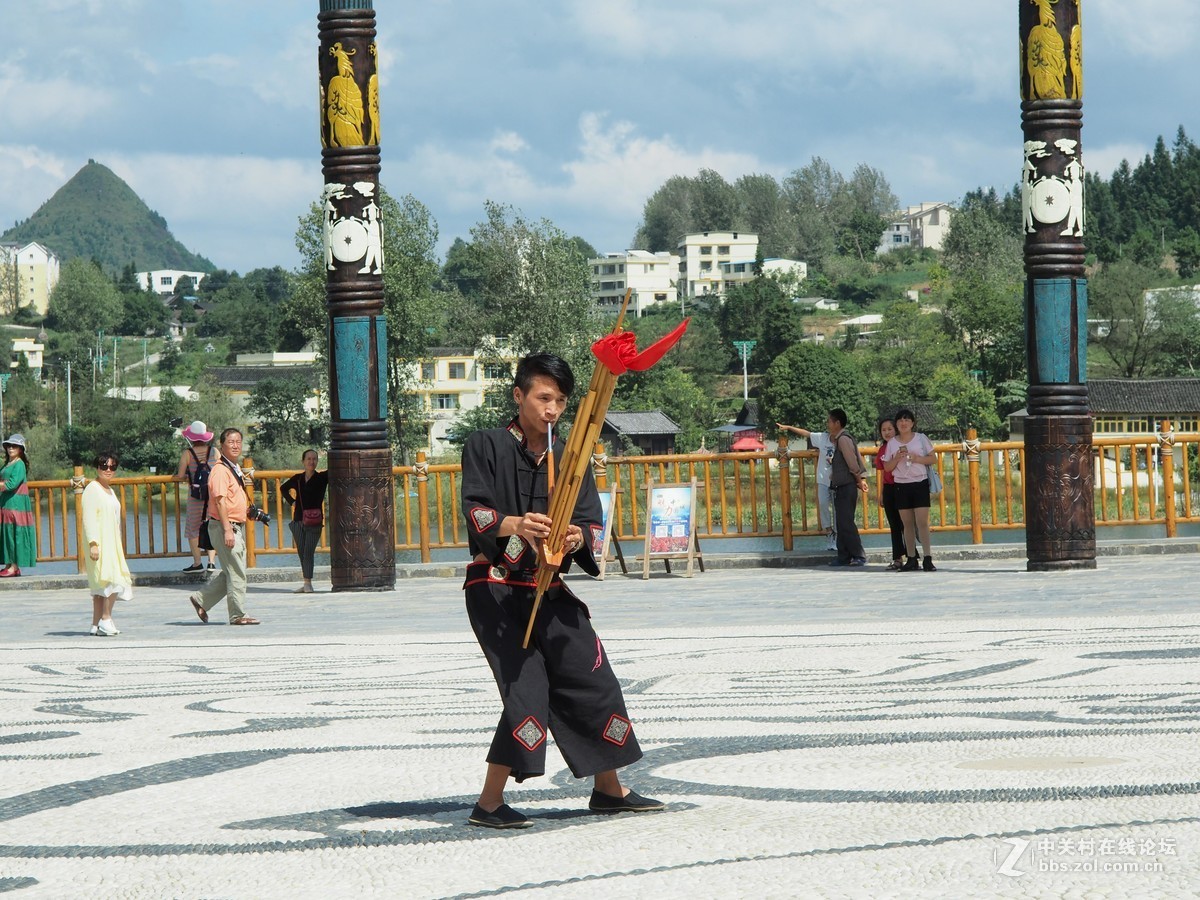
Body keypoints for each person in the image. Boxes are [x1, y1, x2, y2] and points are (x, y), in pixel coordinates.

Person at [459, 353, 663, 829]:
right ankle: (488, 803)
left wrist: (576, 536)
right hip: (496, 589)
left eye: (560, 401)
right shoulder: (484, 444)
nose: (551, 409)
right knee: (526, 689)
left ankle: (609, 789)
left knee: (591, 675)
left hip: (549, 587)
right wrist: (515, 524)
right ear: (519, 395)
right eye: (542, 397)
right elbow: (476, 511)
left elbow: (591, 521)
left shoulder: (571, 458)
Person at [187, 428, 261, 625]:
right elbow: (219, 501)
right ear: (222, 446)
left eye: (238, 441)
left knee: (232, 571)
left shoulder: (233, 468)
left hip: (233, 525)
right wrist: (227, 529)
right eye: (231, 442)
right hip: (224, 527)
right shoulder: (220, 470)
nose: (236, 445)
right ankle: (238, 615)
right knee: (237, 572)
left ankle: (200, 599)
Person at [83, 451, 133, 636]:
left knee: (101, 585)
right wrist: (93, 543)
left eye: (112, 467)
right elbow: (88, 518)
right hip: (100, 542)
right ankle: (106, 618)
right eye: (104, 466)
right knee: (112, 580)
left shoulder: (110, 490)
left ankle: (95, 624)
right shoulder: (92, 489)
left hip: (112, 541)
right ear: (97, 467)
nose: (108, 470)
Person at [883, 408, 937, 572]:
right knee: (907, 524)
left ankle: (928, 558)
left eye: (907, 420)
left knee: (921, 522)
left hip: (919, 483)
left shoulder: (921, 439)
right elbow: (886, 467)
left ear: (912, 423)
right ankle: (911, 558)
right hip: (901, 485)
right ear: (897, 424)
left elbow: (933, 458)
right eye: (900, 420)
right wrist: (897, 458)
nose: (903, 423)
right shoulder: (892, 443)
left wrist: (917, 458)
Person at [776, 422, 837, 551]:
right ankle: (829, 533)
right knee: (823, 504)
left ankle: (838, 536)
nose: (830, 426)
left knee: (838, 509)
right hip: (823, 479)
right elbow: (806, 433)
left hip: (839, 480)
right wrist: (788, 427)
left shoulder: (843, 440)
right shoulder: (822, 437)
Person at [825, 409, 869, 567]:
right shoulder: (840, 439)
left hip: (846, 485)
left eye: (829, 421)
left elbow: (852, 463)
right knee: (842, 522)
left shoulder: (843, 439)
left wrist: (859, 480)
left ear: (837, 423)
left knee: (846, 522)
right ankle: (843, 555)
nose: (828, 424)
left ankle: (858, 555)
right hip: (841, 486)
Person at [281, 449, 329, 593]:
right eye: (308, 459)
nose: (311, 462)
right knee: (302, 552)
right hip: (298, 520)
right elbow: (283, 488)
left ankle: (308, 583)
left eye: (314, 459)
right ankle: (306, 582)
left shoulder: (322, 478)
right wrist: (292, 502)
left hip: (314, 521)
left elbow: (335, 466)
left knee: (308, 552)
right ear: (303, 461)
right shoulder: (297, 479)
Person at [175, 420, 217, 573]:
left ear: (192, 437)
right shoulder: (214, 451)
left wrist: (188, 475)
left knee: (193, 529)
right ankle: (211, 562)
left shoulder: (188, 453)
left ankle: (197, 563)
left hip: (195, 497)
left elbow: (180, 475)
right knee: (211, 526)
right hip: (212, 495)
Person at [0, 434, 36, 577]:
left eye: (14, 446)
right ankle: (9, 564)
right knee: (7, 533)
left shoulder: (19, 464)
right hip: (6, 502)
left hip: (16, 503)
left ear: (21, 449)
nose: (11, 448)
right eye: (9, 446)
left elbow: (12, 484)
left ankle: (14, 566)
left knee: (15, 534)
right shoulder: (8, 463)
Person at [874, 418, 907, 571]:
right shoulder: (882, 450)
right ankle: (897, 558)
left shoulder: (902, 446)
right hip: (888, 488)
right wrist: (881, 493)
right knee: (894, 525)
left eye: (889, 429)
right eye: (883, 430)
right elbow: (881, 473)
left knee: (906, 524)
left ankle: (912, 556)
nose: (886, 432)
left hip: (902, 486)